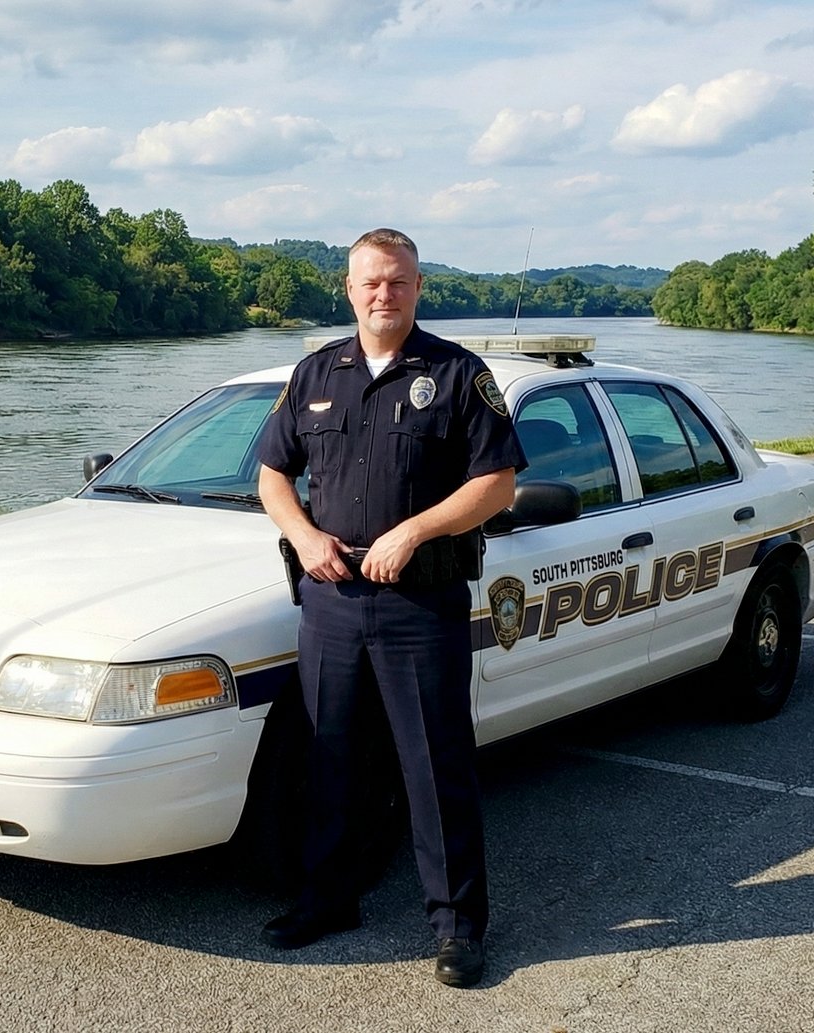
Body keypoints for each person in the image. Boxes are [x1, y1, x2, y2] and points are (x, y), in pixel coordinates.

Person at [254, 227, 524, 988]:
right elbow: (273, 474)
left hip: (420, 604)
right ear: (349, 289)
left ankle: (458, 926)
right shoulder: (314, 372)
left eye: (399, 281)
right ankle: (329, 900)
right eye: (371, 281)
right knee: (329, 755)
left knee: (435, 768)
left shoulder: (457, 373)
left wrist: (414, 529)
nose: (384, 293)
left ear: (418, 287)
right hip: (333, 601)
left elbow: (496, 483)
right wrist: (303, 536)